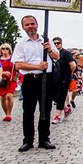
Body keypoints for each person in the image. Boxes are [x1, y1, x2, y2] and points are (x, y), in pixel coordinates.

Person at [12, 15, 59, 152]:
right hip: (31, 79)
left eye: (32, 24)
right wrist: (37, 67)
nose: (30, 26)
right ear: (23, 27)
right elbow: (18, 64)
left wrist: (49, 49)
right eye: (27, 25)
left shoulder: (45, 41)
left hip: (47, 78)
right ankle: (28, 140)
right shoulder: (21, 44)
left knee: (45, 109)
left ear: (37, 25)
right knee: (28, 111)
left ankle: (44, 139)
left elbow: (57, 57)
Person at [51, 37, 76, 124]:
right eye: (54, 43)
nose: (56, 45)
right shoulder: (52, 53)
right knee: (53, 95)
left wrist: (70, 73)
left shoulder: (66, 53)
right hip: (54, 78)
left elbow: (73, 65)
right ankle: (66, 108)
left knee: (61, 96)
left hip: (64, 78)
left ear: (61, 43)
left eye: (58, 43)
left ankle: (57, 116)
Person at [0, 43, 17, 121]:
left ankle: (9, 114)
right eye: (3, 48)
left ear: (9, 50)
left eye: (7, 48)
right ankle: (6, 113)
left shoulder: (13, 59)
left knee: (9, 96)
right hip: (1, 80)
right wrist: (3, 73)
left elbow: (17, 69)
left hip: (11, 80)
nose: (5, 50)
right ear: (0, 50)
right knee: (3, 97)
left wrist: (17, 78)